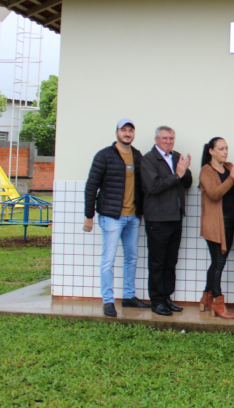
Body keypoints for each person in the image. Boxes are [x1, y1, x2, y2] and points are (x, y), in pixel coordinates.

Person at [83, 118, 150, 317]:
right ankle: (108, 300)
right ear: (117, 133)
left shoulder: (137, 156)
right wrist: (89, 216)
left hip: (132, 217)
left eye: (130, 130)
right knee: (108, 259)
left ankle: (129, 296)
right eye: (124, 130)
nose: (127, 133)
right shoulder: (104, 155)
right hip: (111, 216)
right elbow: (91, 186)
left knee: (131, 257)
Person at [141, 126, 193, 317]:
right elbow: (154, 186)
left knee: (171, 261)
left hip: (175, 217)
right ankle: (157, 301)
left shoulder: (176, 156)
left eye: (171, 138)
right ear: (156, 140)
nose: (168, 142)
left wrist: (184, 170)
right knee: (157, 262)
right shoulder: (148, 159)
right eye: (164, 138)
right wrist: (177, 175)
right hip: (158, 218)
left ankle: (167, 298)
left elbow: (186, 183)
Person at [198, 137, 234, 319]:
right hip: (214, 225)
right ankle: (217, 302)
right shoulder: (206, 170)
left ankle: (206, 297)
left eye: (226, 148)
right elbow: (214, 194)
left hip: (230, 222)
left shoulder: (229, 167)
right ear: (211, 151)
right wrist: (232, 177)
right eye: (221, 149)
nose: (225, 152)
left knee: (217, 262)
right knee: (219, 263)